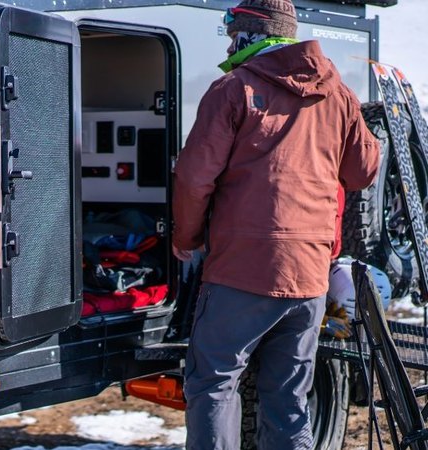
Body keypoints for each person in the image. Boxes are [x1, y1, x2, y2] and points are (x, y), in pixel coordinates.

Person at [171, 0, 381, 448]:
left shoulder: (232, 88)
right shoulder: (337, 92)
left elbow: (193, 178)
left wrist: (186, 239)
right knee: (288, 396)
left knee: (213, 383)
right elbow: (363, 171)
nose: (230, 41)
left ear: (248, 34)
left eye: (232, 32)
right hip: (308, 275)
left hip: (241, 272)